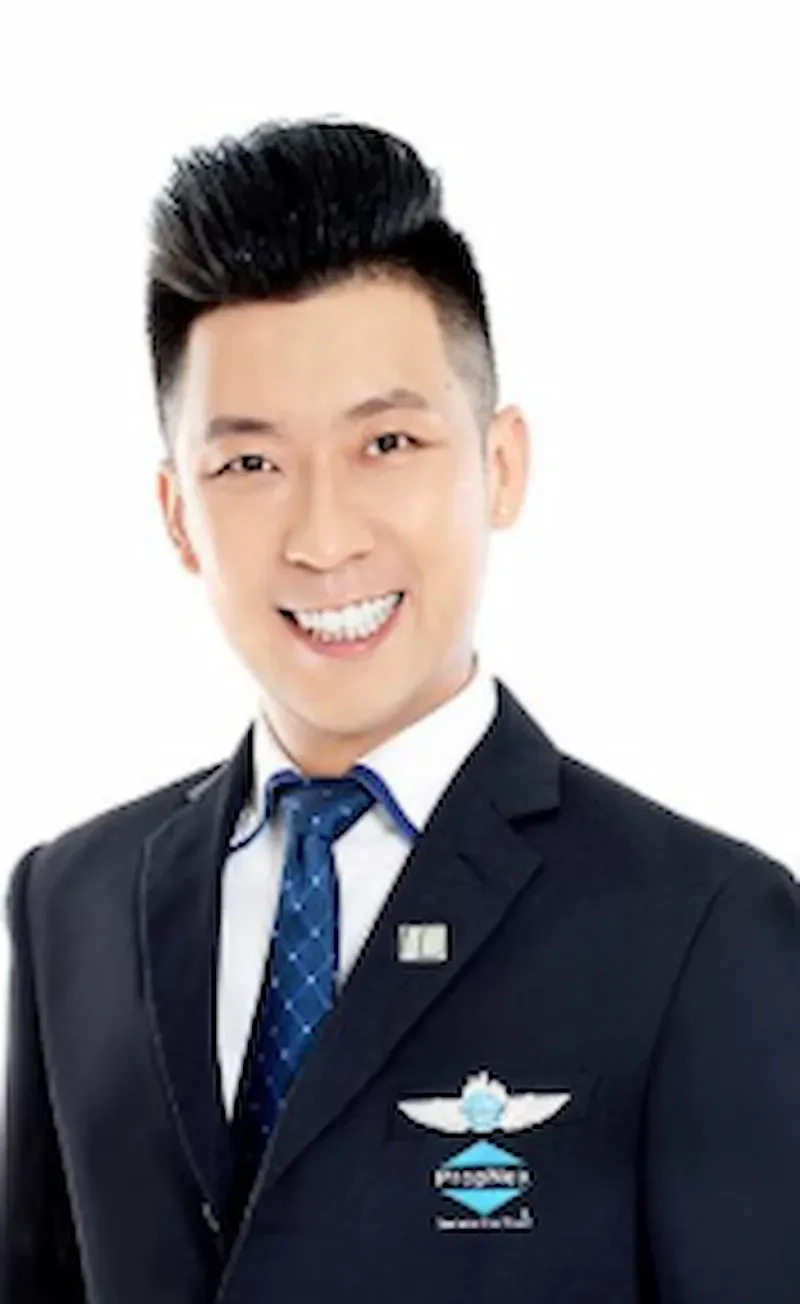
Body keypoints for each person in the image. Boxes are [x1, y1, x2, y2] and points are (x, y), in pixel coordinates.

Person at [2, 117, 799, 1304]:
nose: (323, 536)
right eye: (249, 464)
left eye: (386, 441)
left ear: (498, 465)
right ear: (177, 515)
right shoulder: (72, 900)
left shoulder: (701, 924)